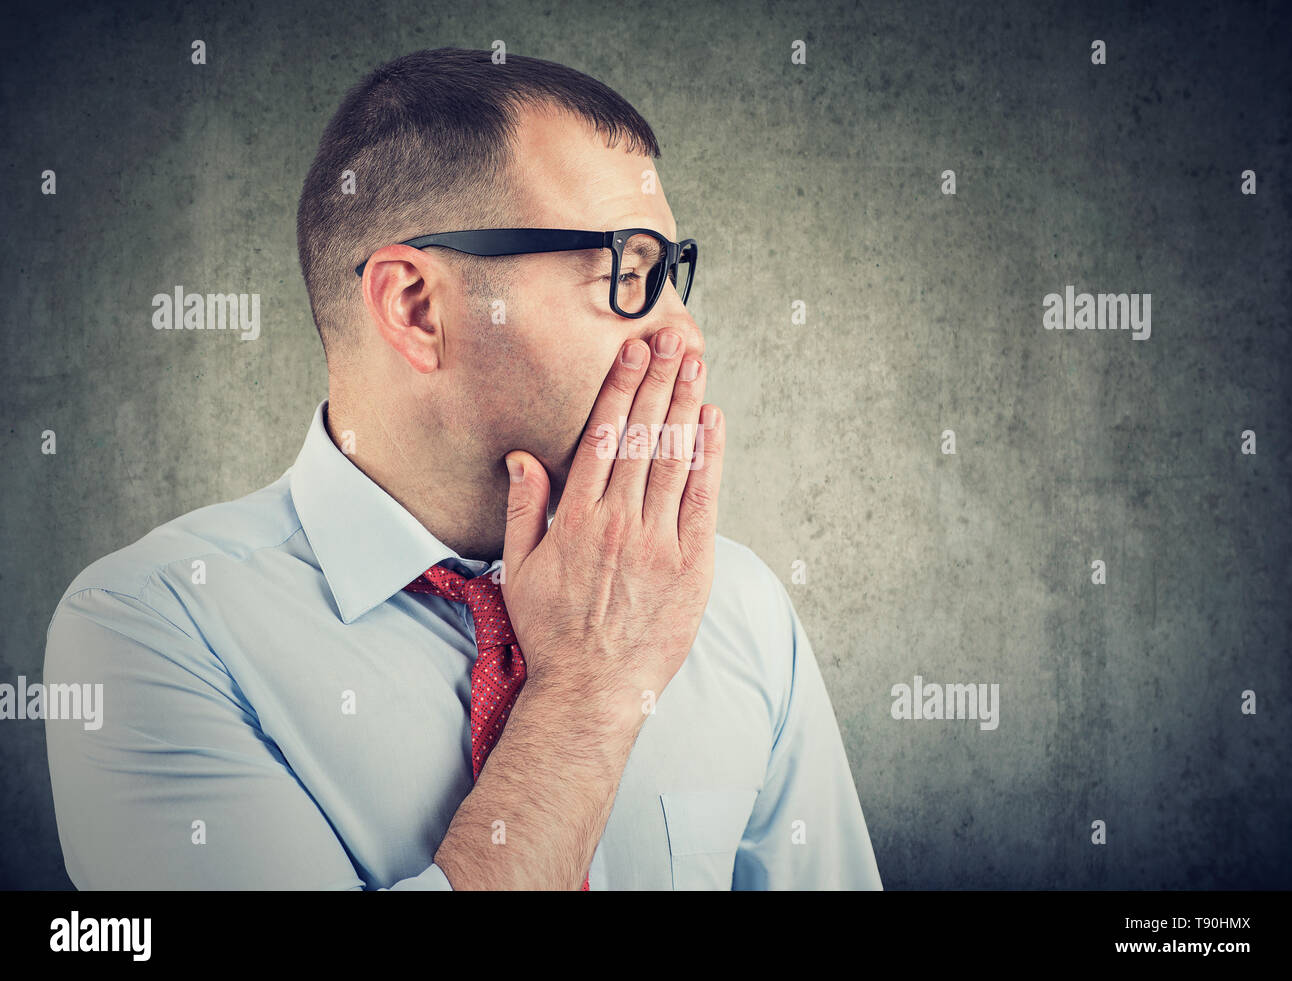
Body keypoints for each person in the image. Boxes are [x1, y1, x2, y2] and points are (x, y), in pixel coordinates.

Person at [44, 47, 884, 890]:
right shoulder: (149, 630)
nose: (684, 335)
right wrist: (590, 688)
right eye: (626, 275)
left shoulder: (738, 608)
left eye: (671, 276)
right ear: (415, 307)